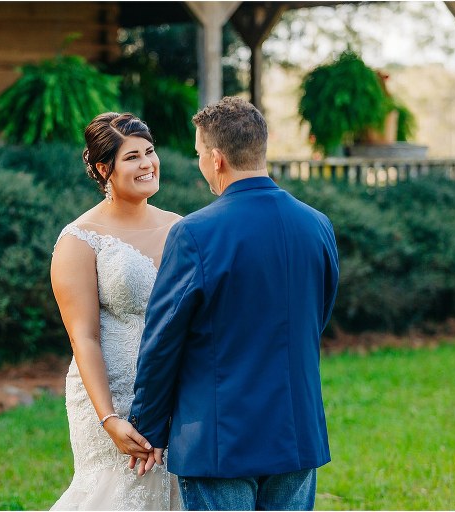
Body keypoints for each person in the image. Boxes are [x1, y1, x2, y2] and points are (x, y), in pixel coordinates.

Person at [129, 96, 340, 511]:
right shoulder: (317, 225)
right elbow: (318, 315)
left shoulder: (195, 234)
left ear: (217, 158)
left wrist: (148, 429)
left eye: (199, 155)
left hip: (219, 438)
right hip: (296, 433)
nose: (200, 165)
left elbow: (163, 340)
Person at [50, 112, 182, 510]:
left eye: (150, 152)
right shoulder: (80, 239)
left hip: (176, 391)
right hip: (112, 395)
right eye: (133, 157)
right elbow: (83, 337)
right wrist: (109, 418)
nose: (147, 164)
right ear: (105, 168)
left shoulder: (181, 228)